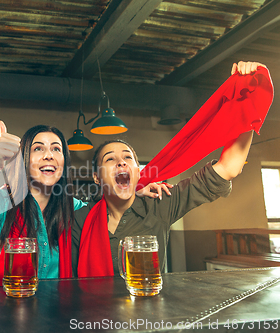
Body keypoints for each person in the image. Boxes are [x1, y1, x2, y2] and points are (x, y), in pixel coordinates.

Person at [72, 61, 268, 278]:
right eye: (110, 159)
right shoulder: (80, 218)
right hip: (94, 311)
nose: (121, 162)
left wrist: (248, 102)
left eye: (128, 157)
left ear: (138, 172)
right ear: (96, 177)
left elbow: (229, 168)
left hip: (147, 308)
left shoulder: (159, 204)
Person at [0, 121, 168, 283]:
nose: (49, 155)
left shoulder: (77, 210)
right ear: (24, 158)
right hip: (0, 316)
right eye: (38, 148)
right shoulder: (4, 201)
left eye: (56, 149)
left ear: (64, 162)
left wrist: (133, 193)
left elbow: (109, 211)